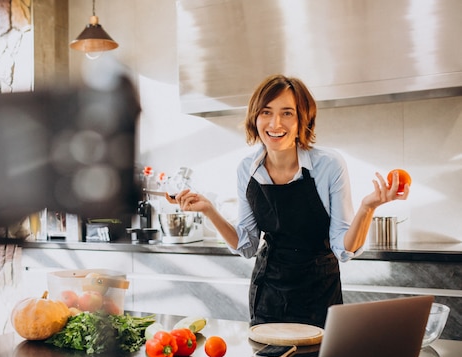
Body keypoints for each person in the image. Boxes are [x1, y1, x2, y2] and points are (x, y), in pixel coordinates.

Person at [167, 74, 409, 328]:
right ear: (255, 118)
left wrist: (367, 208)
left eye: (287, 113)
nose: (275, 123)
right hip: (268, 294)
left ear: (302, 119)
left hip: (319, 295)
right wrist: (209, 210)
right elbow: (247, 244)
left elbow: (343, 249)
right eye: (266, 112)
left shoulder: (328, 165)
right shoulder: (246, 170)